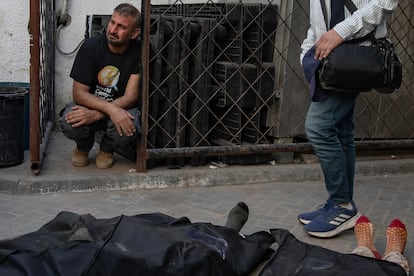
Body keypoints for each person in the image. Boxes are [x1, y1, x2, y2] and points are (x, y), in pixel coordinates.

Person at [298, 0, 398, 238]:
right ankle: (339, 203)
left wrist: (339, 32)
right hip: (332, 59)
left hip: (355, 56)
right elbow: (319, 19)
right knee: (341, 130)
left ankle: (342, 206)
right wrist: (308, 55)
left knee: (319, 128)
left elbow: (385, 2)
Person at [60, 3, 142, 169]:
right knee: (69, 119)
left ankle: (107, 149)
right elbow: (79, 94)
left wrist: (96, 115)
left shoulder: (140, 52)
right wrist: (109, 110)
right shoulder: (90, 47)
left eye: (121, 27)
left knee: (132, 125)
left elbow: (131, 96)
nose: (112, 30)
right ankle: (83, 147)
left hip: (120, 110)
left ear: (134, 33)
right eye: (112, 22)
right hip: (94, 107)